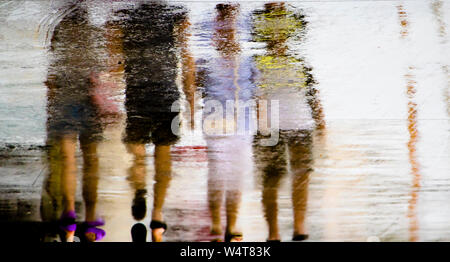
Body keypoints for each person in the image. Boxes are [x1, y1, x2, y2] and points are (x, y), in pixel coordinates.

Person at [40, 4, 115, 242]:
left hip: (64, 97)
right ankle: (91, 219)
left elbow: (52, 70)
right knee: (91, 158)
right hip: (89, 96)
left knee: (68, 158)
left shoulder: (58, 30)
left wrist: (50, 105)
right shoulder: (94, 32)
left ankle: (69, 213)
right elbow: (102, 70)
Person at [251, 2, 325, 242]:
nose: (277, 37)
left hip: (299, 123)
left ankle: (299, 227)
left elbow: (313, 93)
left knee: (300, 173)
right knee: (273, 178)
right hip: (272, 127)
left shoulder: (299, 63)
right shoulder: (257, 64)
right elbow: (255, 97)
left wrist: (321, 121)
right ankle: (274, 231)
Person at [117, 2, 190, 242]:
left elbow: (114, 52)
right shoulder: (176, 11)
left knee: (138, 148)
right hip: (167, 91)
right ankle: (157, 213)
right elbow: (186, 52)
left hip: (136, 88)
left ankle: (139, 188)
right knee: (164, 152)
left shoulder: (126, 12)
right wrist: (190, 92)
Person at [199, 3, 257, 242]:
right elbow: (196, 82)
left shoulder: (245, 55)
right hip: (219, 118)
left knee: (231, 174)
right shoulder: (208, 45)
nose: (229, 34)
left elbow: (257, 89)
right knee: (222, 172)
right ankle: (218, 222)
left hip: (239, 120)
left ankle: (228, 223)